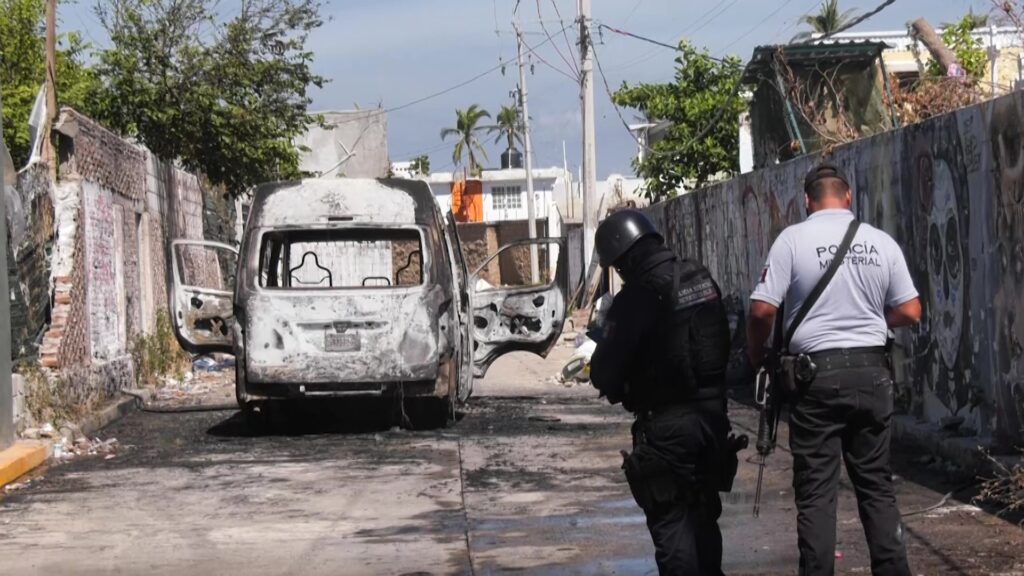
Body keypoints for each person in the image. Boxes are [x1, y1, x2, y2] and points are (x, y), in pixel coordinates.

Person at [745, 163, 922, 576]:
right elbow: (911, 310)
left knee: (817, 496)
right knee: (877, 488)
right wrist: (871, 321)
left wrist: (757, 357)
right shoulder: (880, 242)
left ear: (807, 201)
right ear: (848, 197)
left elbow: (761, 309)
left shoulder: (792, 240)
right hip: (872, 374)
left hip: (815, 380)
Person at [589, 209, 736, 576]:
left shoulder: (636, 297)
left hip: (666, 429)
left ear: (625, 259)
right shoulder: (699, 278)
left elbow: (603, 374)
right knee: (704, 520)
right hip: (712, 421)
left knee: (673, 530)